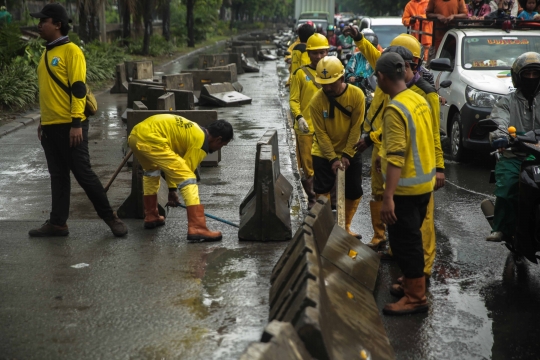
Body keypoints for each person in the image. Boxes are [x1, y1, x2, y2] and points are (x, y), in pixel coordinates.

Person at [344, 28, 444, 269]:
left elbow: (433, 135)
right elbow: (373, 57)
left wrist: (439, 167)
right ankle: (387, 242)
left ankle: (424, 269)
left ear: (411, 64)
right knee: (381, 198)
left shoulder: (422, 93)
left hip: (412, 168)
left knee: (420, 220)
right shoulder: (394, 83)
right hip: (384, 146)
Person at [28, 3, 127, 238]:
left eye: (44, 21)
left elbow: (78, 89)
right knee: (58, 176)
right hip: (51, 126)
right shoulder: (46, 52)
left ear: (58, 24)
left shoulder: (72, 51)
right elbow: (49, 91)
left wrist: (75, 124)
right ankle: (57, 223)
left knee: (84, 174)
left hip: (71, 125)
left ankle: (111, 218)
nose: (39, 24)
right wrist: (44, 120)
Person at [375, 52, 436, 316]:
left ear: (381, 77)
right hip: (424, 186)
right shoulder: (417, 99)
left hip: (406, 190)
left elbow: (397, 155)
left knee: (405, 244)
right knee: (413, 241)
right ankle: (412, 281)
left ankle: (416, 297)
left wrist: (388, 197)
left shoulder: (395, 108)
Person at [128, 115, 233, 242]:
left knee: (151, 172)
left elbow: (174, 166)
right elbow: (184, 172)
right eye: (222, 145)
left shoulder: (193, 130)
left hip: (135, 135)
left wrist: (172, 190)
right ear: (218, 140)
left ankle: (151, 215)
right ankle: (197, 227)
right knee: (188, 178)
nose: (219, 149)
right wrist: (174, 190)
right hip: (152, 139)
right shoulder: (200, 143)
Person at [486, 52, 540, 242]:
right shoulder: (507, 101)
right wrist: (500, 136)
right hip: (514, 155)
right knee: (508, 188)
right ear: (518, 76)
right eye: (528, 74)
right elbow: (498, 120)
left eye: (536, 74)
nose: (532, 78)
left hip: (539, 156)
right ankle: (501, 227)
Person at [310, 56, 365, 238]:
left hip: (350, 148)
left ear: (341, 78)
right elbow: (320, 133)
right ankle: (324, 228)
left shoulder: (357, 95)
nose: (326, 88)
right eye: (323, 84)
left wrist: (347, 155)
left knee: (354, 189)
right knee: (322, 189)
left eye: (331, 83)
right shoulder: (316, 101)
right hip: (324, 151)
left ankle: (346, 227)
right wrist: (333, 158)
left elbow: (356, 128)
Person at [289, 33, 329, 209]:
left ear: (327, 52)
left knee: (328, 163)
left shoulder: (333, 72)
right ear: (309, 53)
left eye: (322, 53)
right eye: (315, 53)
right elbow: (293, 100)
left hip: (328, 128)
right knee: (307, 167)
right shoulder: (300, 74)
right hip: (305, 129)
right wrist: (299, 117)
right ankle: (313, 199)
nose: (319, 56)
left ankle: (328, 198)